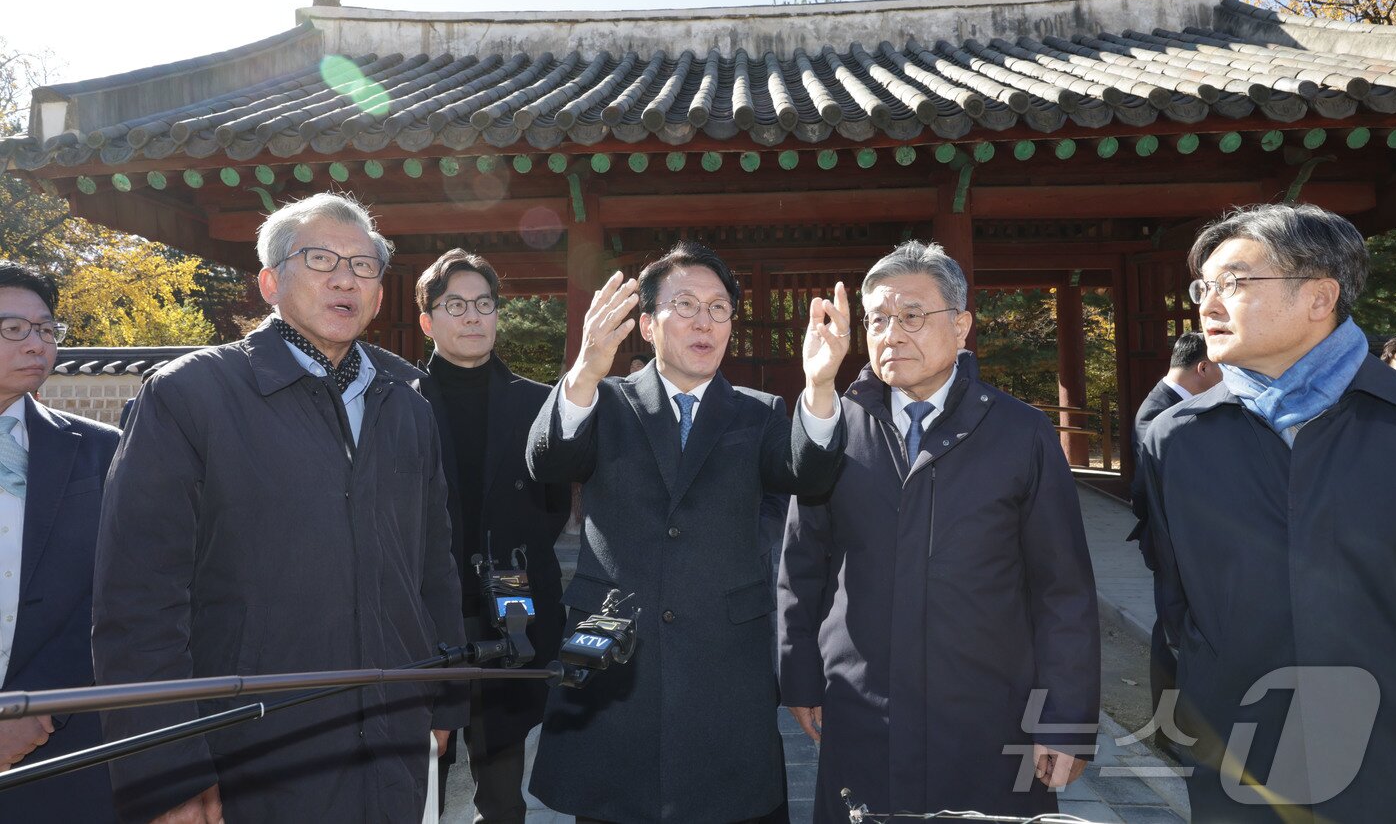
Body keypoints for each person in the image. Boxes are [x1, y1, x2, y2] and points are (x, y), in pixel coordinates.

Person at [92, 193, 468, 823]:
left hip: (390, 735)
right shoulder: (191, 396)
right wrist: (164, 766)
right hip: (248, 745)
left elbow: (433, 568)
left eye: (365, 264)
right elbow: (137, 600)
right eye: (320, 259)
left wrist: (444, 701)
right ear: (270, 281)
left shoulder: (407, 403)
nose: (346, 277)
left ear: (381, 291)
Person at [527, 240, 850, 823]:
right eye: (686, 306)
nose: (705, 321)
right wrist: (582, 371)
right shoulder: (606, 401)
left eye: (718, 308)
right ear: (646, 326)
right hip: (614, 665)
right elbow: (548, 463)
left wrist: (821, 386)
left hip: (724, 672)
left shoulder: (759, 413)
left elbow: (812, 471)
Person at [778, 241, 1100, 822]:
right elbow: (802, 562)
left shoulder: (1020, 432)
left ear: (962, 326)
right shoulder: (833, 424)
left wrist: (1067, 719)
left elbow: (1063, 587)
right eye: (877, 319)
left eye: (912, 316)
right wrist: (799, 677)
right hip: (862, 706)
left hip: (989, 713)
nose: (891, 334)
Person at [1141, 203, 1396, 821]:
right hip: (1239, 762)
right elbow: (1176, 601)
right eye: (1203, 285)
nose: (1208, 303)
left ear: (1319, 296)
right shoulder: (1177, 439)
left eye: (1234, 283)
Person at [414, 249, 571, 822]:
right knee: (424, 776)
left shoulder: (538, 401)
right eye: (455, 304)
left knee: (503, 789)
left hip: (513, 610)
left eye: (484, 304)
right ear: (429, 319)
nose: (473, 316)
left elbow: (552, 505)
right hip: (424, 613)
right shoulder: (398, 402)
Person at [0, 262, 120, 823]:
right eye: (14, 329)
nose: (37, 344)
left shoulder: (102, 451)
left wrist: (34, 709)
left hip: (61, 744)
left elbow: (120, 598)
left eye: (47, 330)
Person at [1127, 331, 1221, 744]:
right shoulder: (1157, 414)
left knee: (1179, 632)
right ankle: (1171, 731)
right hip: (1173, 545)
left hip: (1187, 544)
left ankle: (1177, 727)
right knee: (1173, 636)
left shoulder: (1174, 405)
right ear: (1203, 367)